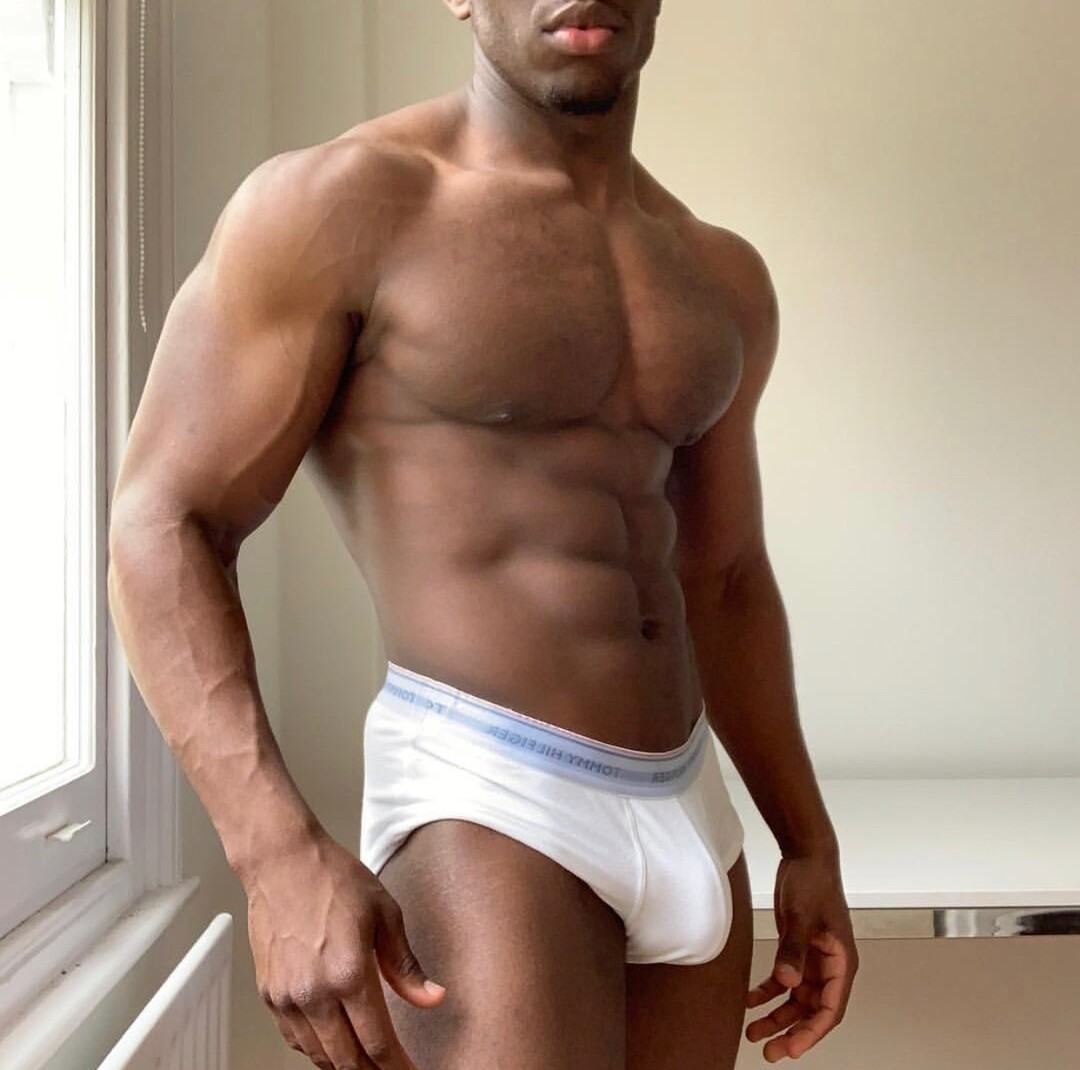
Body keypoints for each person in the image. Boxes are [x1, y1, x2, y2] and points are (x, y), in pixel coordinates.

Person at [107, 0, 858, 1067]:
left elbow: (726, 575)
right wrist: (274, 855)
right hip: (487, 792)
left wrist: (806, 838)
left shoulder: (719, 274)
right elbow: (164, 521)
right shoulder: (344, 207)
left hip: (692, 801)